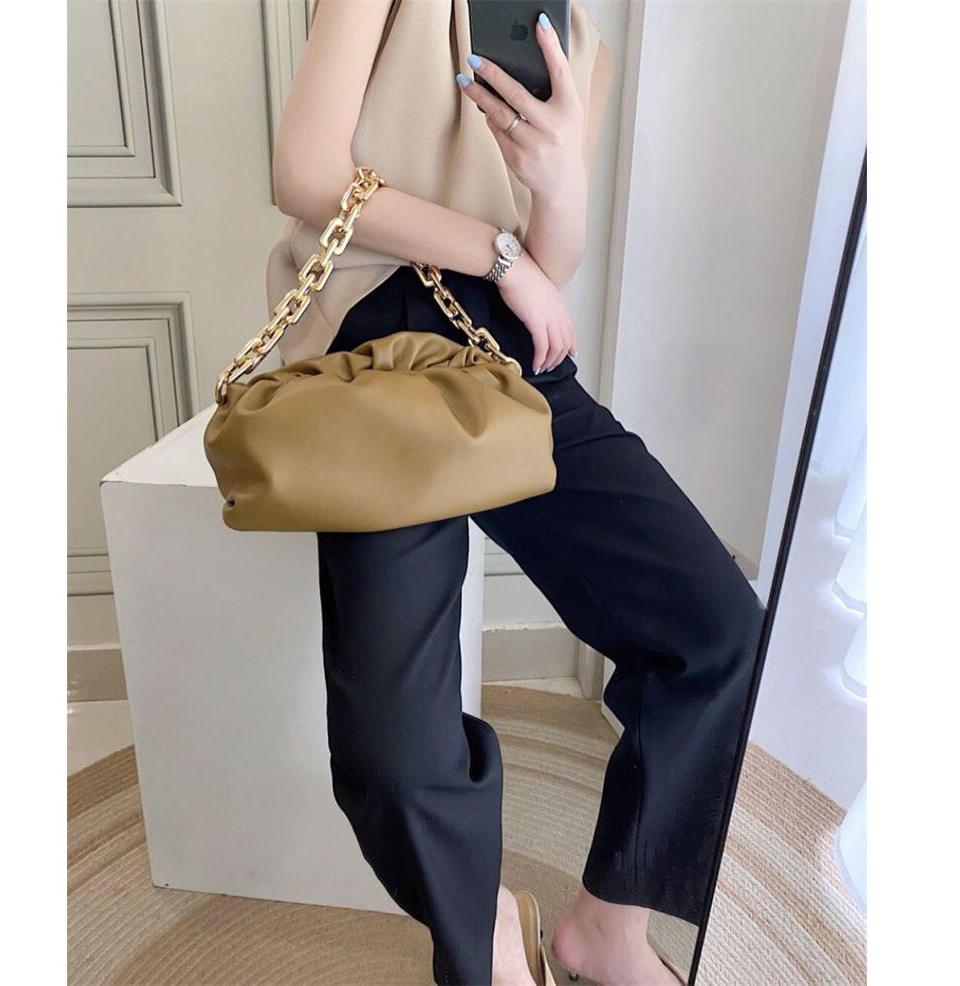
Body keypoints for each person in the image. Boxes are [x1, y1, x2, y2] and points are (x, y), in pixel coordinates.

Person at [269, 2, 765, 984]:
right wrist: (498, 255)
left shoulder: (582, 47)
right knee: (391, 756)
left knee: (716, 629)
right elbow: (307, 174)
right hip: (375, 358)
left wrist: (558, 182)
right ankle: (486, 921)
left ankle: (606, 930)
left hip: (509, 353)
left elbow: (553, 263)